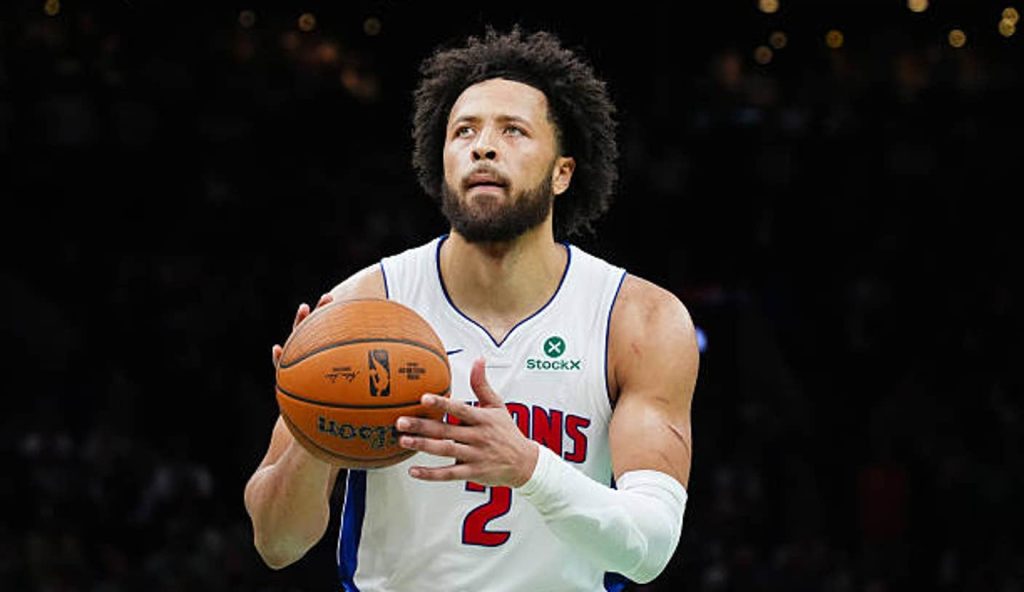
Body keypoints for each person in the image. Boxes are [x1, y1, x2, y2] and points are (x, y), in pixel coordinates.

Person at [244, 25, 698, 592]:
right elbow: (276, 543)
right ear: (442, 163)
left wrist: (528, 467)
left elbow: (649, 548)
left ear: (563, 172)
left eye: (513, 131)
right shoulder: (364, 307)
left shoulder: (638, 321)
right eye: (465, 131)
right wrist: (312, 437)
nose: (483, 146)